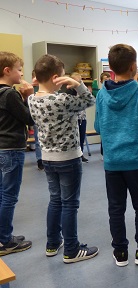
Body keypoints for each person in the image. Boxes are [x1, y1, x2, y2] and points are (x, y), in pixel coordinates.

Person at [94, 44, 138, 267]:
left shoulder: (102, 95)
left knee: (116, 207)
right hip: (135, 161)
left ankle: (120, 252)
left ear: (111, 67)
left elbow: (98, 126)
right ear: (133, 66)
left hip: (112, 162)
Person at [28, 54, 98, 263]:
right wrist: (77, 84)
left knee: (55, 201)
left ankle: (52, 244)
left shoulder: (32, 99)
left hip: (48, 158)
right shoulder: (62, 99)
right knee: (69, 204)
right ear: (56, 77)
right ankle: (71, 249)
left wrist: (38, 84)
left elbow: (36, 88)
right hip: (68, 158)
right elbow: (90, 100)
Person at [0, 51, 34, 256]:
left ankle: (3, 235)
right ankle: (5, 240)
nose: (21, 74)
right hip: (11, 148)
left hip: (1, 147)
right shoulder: (10, 94)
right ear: (7, 70)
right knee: (9, 196)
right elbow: (28, 118)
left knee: (2, 194)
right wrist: (28, 97)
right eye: (19, 70)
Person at [31, 70, 44, 170]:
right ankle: (40, 160)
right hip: (36, 118)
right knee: (38, 140)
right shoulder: (32, 89)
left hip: (46, 118)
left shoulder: (45, 88)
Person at [97, 72, 111, 160]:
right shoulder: (100, 93)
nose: (107, 81)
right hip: (103, 118)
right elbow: (98, 109)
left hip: (111, 118)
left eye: (109, 79)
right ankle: (103, 153)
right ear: (101, 81)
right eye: (105, 79)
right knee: (104, 137)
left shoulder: (113, 92)